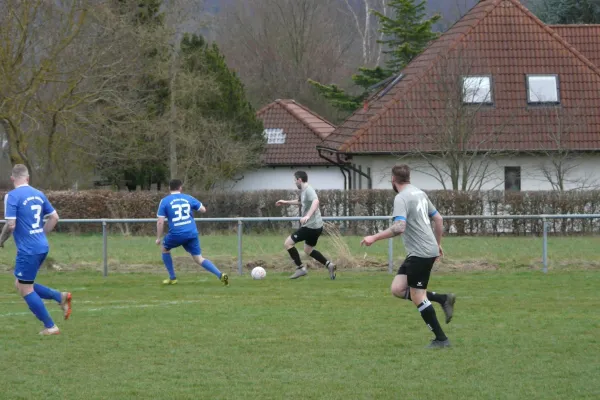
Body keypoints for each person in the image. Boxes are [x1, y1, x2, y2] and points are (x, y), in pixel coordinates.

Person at [361, 164, 456, 349]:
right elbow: (438, 219)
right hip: (421, 251)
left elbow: (399, 227)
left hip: (420, 253)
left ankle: (441, 339)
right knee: (398, 289)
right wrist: (436, 245)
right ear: (409, 178)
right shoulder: (419, 193)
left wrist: (374, 237)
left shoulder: (401, 198)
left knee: (417, 295)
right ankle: (443, 299)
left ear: (393, 179)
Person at [0, 164, 72, 336]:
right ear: (28, 178)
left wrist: (1, 240)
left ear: (12, 179)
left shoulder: (12, 196)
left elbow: (11, 225)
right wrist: (41, 234)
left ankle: (51, 327)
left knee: (25, 289)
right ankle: (59, 296)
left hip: (28, 250)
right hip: (41, 246)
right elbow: (55, 217)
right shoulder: (38, 194)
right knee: (21, 283)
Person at [156, 179, 228, 286]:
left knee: (165, 249)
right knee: (199, 258)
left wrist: (158, 237)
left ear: (169, 188)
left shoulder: (165, 201)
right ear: (180, 188)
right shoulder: (188, 197)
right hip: (191, 232)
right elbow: (203, 209)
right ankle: (220, 274)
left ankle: (173, 278)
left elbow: (160, 222)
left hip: (177, 233)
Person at [276, 171, 336, 280]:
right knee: (308, 250)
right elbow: (301, 201)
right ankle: (329, 265)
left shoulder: (309, 190)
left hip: (310, 227)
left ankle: (300, 269)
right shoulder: (304, 191)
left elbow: (316, 202)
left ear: (299, 180)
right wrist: (285, 202)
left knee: (288, 243)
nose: (294, 182)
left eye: (295, 180)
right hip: (317, 227)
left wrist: (307, 216)